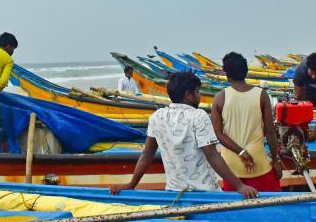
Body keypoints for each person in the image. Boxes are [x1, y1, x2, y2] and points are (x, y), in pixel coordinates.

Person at [110, 72, 258, 199]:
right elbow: (212, 155)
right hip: (205, 193)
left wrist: (132, 184)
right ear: (188, 95)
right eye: (198, 91)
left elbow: (147, 154)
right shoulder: (198, 116)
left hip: (174, 194)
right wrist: (239, 186)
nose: (199, 96)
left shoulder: (157, 116)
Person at [211, 52, 282, 192]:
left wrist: (241, 152)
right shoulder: (262, 95)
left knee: (234, 210)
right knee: (271, 205)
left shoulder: (219, 98)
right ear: (246, 71)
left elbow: (218, 134)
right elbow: (270, 131)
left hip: (231, 168)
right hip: (258, 162)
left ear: (227, 74)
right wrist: (275, 160)